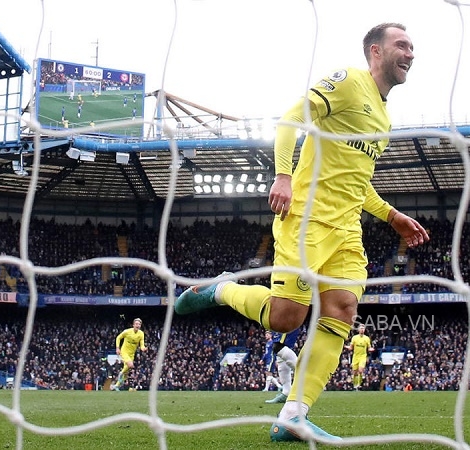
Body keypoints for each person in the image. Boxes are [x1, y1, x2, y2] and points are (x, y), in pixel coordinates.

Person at [174, 22, 425, 443]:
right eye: (402, 45)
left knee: (343, 310)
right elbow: (292, 118)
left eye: (413, 47)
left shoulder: (383, 116)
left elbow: (356, 181)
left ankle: (294, 414)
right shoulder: (348, 82)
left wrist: (391, 215)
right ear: (376, 52)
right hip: (306, 218)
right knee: (286, 316)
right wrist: (283, 176)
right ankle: (220, 289)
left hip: (347, 231)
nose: (411, 53)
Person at [265, 328, 301, 404]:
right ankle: (286, 392)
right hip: (279, 325)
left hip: (286, 322)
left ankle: (307, 378)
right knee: (280, 355)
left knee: (278, 346)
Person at [111, 318, 147, 391]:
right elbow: (118, 337)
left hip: (131, 354)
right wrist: (118, 348)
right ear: (133, 325)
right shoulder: (127, 331)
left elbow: (142, 344)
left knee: (127, 372)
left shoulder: (141, 334)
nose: (138, 325)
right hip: (124, 352)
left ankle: (116, 385)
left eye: (139, 324)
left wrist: (143, 348)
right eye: (136, 324)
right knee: (130, 365)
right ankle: (120, 373)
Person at [345, 324, 374, 390]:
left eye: (363, 328)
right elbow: (351, 348)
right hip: (355, 356)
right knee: (355, 372)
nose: (362, 330)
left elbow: (369, 348)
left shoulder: (366, 338)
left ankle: (359, 384)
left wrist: (371, 349)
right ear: (358, 330)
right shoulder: (354, 338)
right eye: (361, 328)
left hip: (363, 356)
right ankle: (355, 385)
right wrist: (345, 346)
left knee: (360, 370)